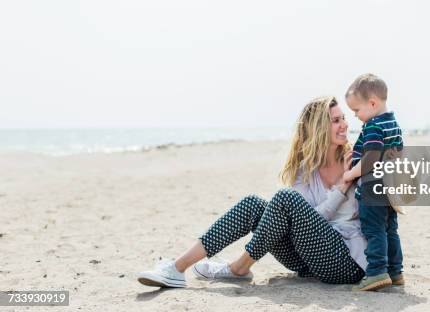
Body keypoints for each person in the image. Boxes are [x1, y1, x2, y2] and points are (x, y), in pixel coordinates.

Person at [137, 96, 367, 288]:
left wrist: (346, 183)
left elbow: (388, 207)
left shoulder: (355, 160)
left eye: (344, 118)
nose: (345, 125)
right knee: (254, 204)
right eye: (336, 120)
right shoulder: (304, 170)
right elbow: (309, 219)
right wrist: (340, 189)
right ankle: (177, 268)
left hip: (345, 263)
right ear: (318, 128)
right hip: (307, 262)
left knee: (286, 198)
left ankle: (239, 267)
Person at [343, 73, 405, 291]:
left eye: (357, 110)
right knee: (390, 229)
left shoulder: (373, 126)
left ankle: (377, 271)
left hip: (371, 186)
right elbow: (398, 153)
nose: (356, 116)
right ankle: (395, 271)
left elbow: (370, 159)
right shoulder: (393, 123)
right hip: (388, 187)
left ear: (372, 103)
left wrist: (350, 174)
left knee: (373, 229)